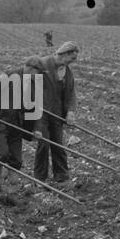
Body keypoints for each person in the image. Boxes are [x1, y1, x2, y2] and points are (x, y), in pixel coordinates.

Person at [33, 40, 79, 184]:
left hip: (57, 112)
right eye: (72, 58)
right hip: (40, 112)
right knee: (43, 144)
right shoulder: (43, 64)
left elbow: (71, 93)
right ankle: (40, 178)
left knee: (58, 144)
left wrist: (70, 111)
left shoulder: (67, 71)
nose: (73, 62)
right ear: (65, 54)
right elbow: (28, 82)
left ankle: (62, 176)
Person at [0, 63, 30, 207]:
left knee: (16, 159)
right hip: (0, 122)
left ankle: (12, 192)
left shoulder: (31, 81)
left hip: (16, 124)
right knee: (3, 153)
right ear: (30, 68)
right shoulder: (8, 76)